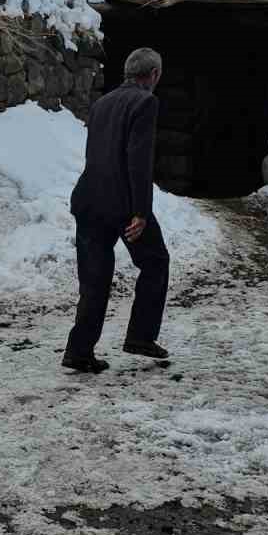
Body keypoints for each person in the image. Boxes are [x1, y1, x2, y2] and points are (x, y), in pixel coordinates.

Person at [62, 47, 172, 373]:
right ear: (154, 74)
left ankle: (79, 351)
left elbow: (95, 155)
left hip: (89, 199)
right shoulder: (145, 102)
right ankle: (140, 336)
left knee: (94, 279)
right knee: (155, 262)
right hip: (122, 203)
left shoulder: (102, 103)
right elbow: (139, 159)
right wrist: (141, 211)